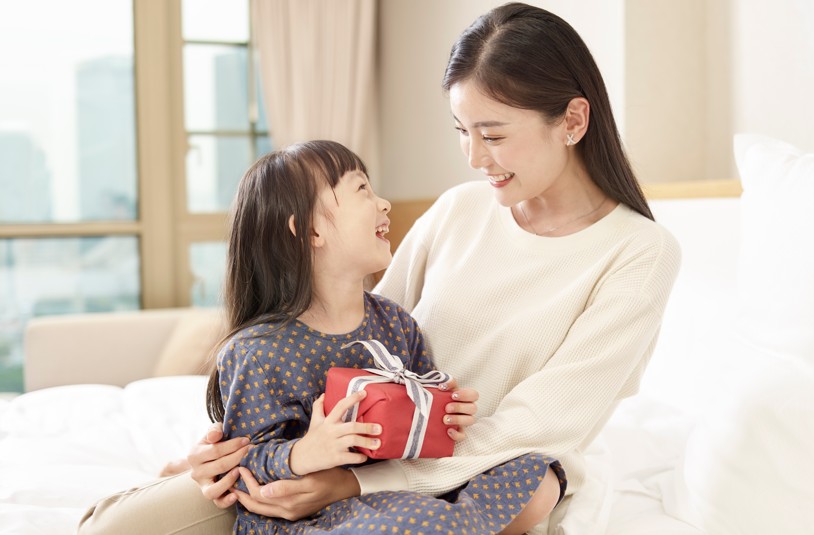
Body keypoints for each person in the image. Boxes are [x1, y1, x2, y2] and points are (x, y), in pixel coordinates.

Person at [79, 3, 680, 534]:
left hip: (467, 476)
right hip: (346, 451)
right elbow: (348, 338)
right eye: (462, 132)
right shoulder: (461, 209)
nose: (474, 158)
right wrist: (256, 451)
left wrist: (355, 485)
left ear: (573, 121)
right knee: (112, 529)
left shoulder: (638, 254)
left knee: (528, 490)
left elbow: (538, 424)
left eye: (492, 134)